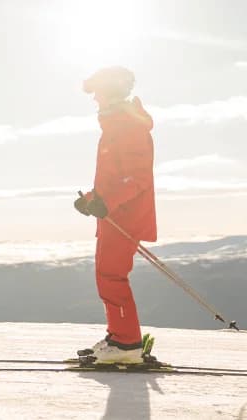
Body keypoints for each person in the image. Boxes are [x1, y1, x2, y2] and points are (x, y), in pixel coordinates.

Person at [73, 67, 157, 364]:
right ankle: (119, 337)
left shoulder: (128, 126)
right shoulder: (116, 125)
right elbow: (115, 178)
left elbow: (136, 178)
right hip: (113, 215)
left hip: (124, 217)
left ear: (111, 91)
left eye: (98, 91)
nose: (95, 98)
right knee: (106, 276)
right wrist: (91, 200)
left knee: (112, 276)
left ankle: (126, 344)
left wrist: (106, 202)